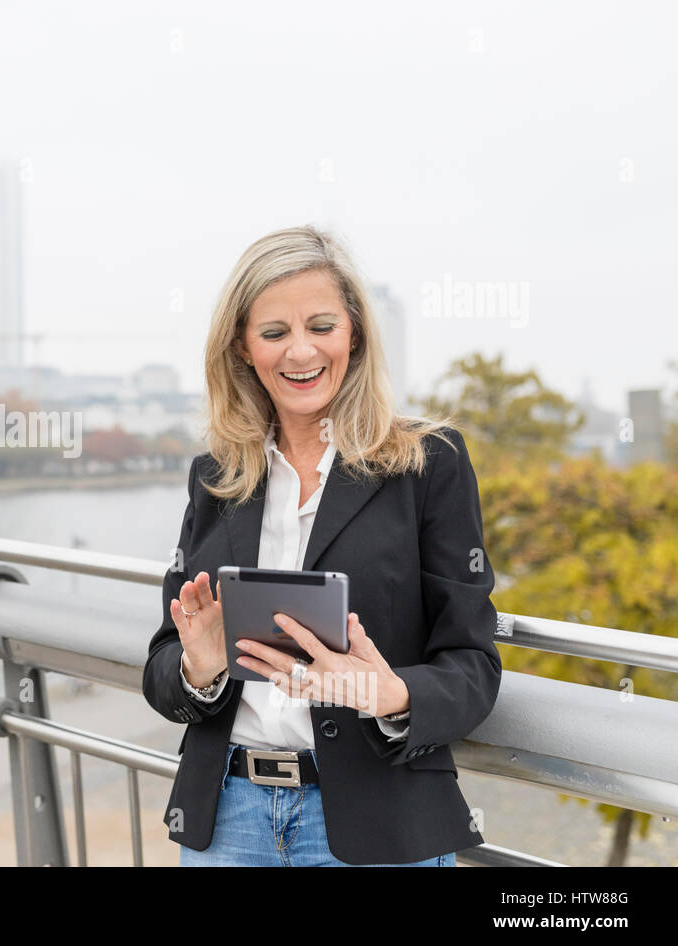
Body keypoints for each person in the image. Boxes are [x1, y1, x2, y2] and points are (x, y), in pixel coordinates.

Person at [142, 225, 501, 866]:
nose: (300, 351)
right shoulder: (216, 476)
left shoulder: (429, 463)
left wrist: (387, 694)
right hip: (227, 822)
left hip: (377, 825)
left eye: (322, 325)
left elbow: (473, 665)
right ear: (244, 349)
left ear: (355, 333)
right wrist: (200, 668)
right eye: (274, 332)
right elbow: (164, 665)